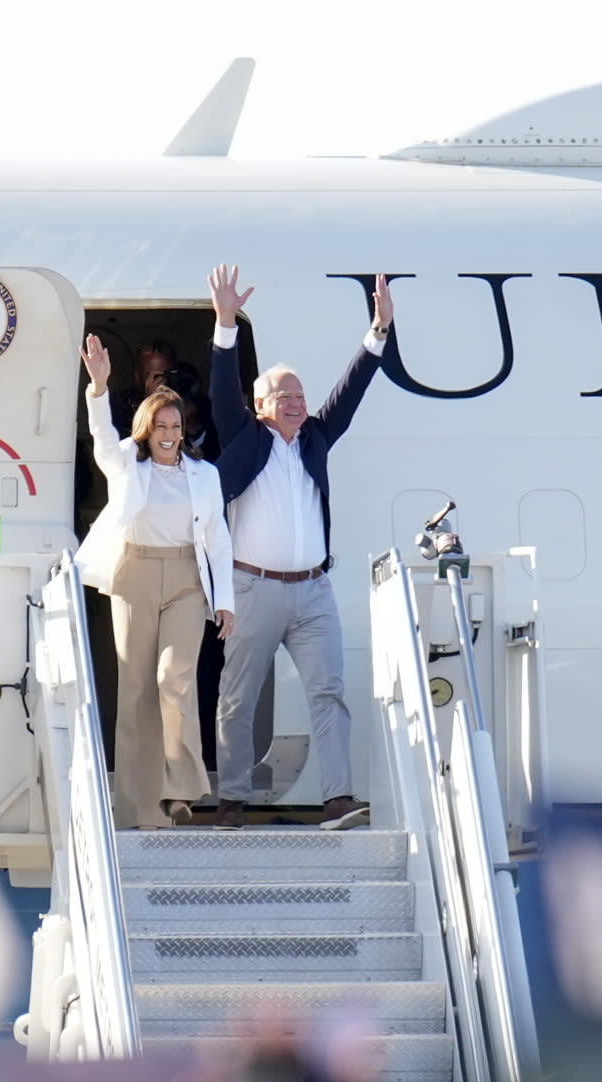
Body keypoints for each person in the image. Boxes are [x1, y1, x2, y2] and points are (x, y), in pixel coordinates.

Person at [206, 263, 392, 831]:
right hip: (253, 587)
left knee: (328, 692)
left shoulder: (314, 437)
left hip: (313, 592)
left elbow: (350, 391)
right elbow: (220, 389)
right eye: (284, 395)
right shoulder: (243, 437)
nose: (295, 402)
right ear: (260, 404)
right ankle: (231, 798)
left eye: (299, 394)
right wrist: (225, 324)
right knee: (237, 698)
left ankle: (337, 798)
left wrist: (377, 332)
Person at [77, 335, 237, 829]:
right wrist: (98, 387)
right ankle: (138, 807)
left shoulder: (204, 475)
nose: (169, 433)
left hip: (188, 578)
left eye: (175, 425)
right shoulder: (126, 461)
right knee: (137, 689)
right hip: (135, 574)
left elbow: (219, 538)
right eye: (160, 426)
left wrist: (226, 600)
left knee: (175, 677)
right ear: (146, 430)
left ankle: (179, 789)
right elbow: (102, 437)